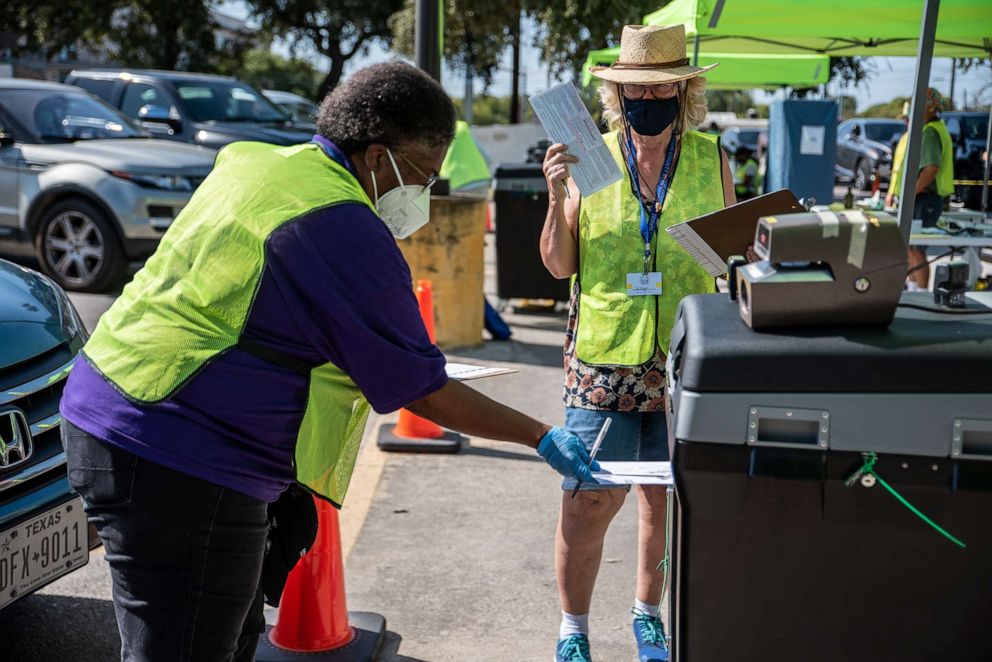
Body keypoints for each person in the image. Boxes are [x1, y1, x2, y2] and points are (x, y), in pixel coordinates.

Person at [59, 62, 596, 662]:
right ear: (374, 156)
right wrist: (539, 434)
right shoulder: (343, 225)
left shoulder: (258, 163)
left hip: (110, 404)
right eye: (421, 176)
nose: (423, 194)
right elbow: (422, 390)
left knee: (215, 636)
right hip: (181, 454)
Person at [540, 24, 735, 662]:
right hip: (604, 356)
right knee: (589, 496)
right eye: (634, 88)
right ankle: (573, 630)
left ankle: (647, 613)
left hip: (686, 352)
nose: (646, 97)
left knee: (666, 494)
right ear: (616, 96)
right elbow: (560, 265)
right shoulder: (590, 158)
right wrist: (552, 198)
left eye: (660, 86)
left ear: (683, 92)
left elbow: (731, 258)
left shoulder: (713, 159)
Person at [886, 88, 955, 290]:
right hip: (923, 199)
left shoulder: (930, 131)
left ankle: (922, 293)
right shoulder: (930, 129)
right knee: (911, 247)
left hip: (925, 200)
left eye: (920, 105)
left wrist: (912, 192)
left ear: (932, 108)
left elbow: (931, 168)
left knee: (916, 248)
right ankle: (915, 289)